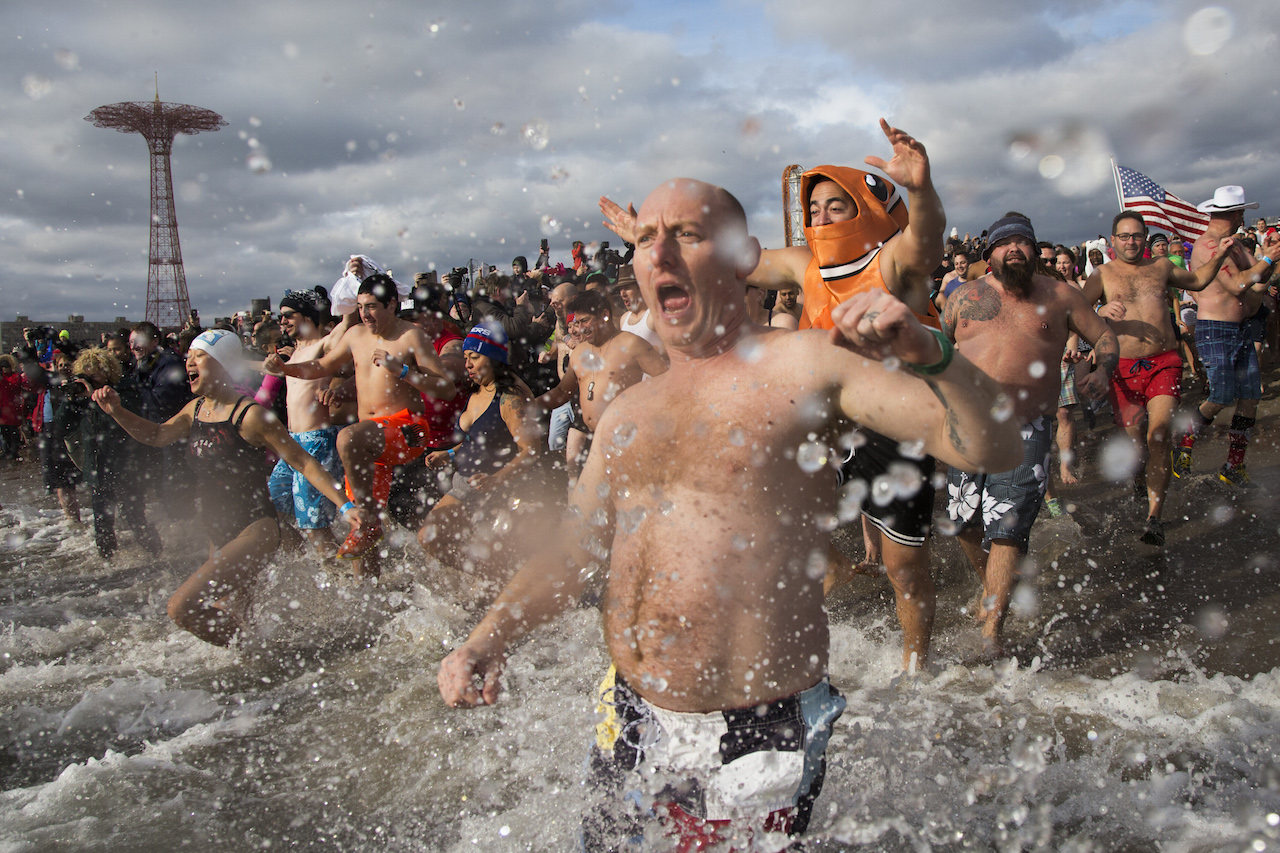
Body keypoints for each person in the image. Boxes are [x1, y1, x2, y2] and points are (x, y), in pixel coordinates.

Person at [440, 178, 1021, 849]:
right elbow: (574, 548)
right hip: (629, 712)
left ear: (744, 256)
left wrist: (931, 352)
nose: (659, 253)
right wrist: (490, 635)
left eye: (685, 234)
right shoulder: (629, 411)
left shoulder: (805, 364)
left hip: (759, 730)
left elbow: (991, 445)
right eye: (644, 238)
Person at [600, 120, 946, 673]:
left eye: (836, 206)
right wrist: (650, 243)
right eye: (814, 209)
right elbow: (729, 259)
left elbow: (926, 241)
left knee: (905, 567)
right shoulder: (804, 264)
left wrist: (922, 192)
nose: (820, 218)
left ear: (866, 209)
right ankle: (813, 599)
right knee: (768, 512)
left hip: (890, 426)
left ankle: (916, 664)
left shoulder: (890, 263)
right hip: (822, 418)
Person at [91, 330, 368, 645]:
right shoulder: (195, 410)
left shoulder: (249, 416)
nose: (189, 363)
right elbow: (157, 436)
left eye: (199, 357)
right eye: (189, 357)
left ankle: (262, 654)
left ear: (223, 365)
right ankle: (259, 660)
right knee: (235, 614)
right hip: (216, 529)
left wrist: (346, 507)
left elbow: (303, 462)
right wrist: (116, 412)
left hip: (252, 529)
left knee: (181, 608)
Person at [942, 212, 1118, 658]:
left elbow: (1104, 337)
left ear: (1036, 250)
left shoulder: (1061, 296)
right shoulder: (963, 298)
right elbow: (936, 352)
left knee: (1008, 527)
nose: (1014, 249)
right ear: (989, 255)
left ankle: (991, 632)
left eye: (1023, 242)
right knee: (962, 522)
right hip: (966, 426)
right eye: (1005, 244)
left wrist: (1101, 369)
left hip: (1030, 427)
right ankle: (993, 586)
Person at [266, 274, 457, 569]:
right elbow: (322, 366)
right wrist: (285, 368)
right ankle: (373, 585)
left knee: (347, 438)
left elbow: (446, 388)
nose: (365, 314)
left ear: (392, 304)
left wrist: (404, 371)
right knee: (359, 541)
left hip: (410, 431)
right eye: (360, 306)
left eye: (372, 306)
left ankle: (368, 524)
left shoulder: (411, 336)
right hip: (371, 442)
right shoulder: (355, 335)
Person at [1082, 211, 1235, 545]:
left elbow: (1197, 281)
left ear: (1145, 237)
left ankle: (1155, 518)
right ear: (1113, 240)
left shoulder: (1161, 267)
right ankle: (1140, 478)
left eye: (1137, 235)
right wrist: (1099, 311)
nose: (1131, 241)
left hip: (1164, 362)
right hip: (1122, 369)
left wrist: (1221, 252)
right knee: (1137, 446)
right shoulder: (1103, 275)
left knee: (1160, 435)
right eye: (1124, 236)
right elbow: (1074, 313)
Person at [418, 320, 547, 587]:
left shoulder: (511, 398)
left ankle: (501, 583)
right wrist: (450, 454)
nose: (467, 364)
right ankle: (490, 577)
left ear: (492, 358)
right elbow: (480, 440)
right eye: (466, 357)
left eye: (474, 357)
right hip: (467, 484)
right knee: (430, 536)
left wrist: (498, 478)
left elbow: (531, 452)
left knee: (505, 550)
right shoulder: (478, 391)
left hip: (505, 490)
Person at [1174, 186, 1280, 487]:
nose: (1244, 216)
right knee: (1221, 395)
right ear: (1233, 213)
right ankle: (1185, 441)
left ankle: (1234, 465)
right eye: (1242, 211)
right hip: (1215, 328)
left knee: (1250, 398)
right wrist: (1269, 260)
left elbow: (1256, 282)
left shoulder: (1237, 246)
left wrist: (1271, 257)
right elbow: (1237, 285)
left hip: (1241, 327)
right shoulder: (1208, 246)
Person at [535, 290, 667, 480]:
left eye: (585, 321)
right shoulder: (579, 353)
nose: (580, 329)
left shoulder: (631, 345)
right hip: (590, 439)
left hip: (625, 440)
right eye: (577, 323)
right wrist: (534, 405)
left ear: (605, 315)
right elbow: (563, 391)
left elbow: (665, 382)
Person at [265, 287, 346, 556]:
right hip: (292, 443)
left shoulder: (323, 345)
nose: (282, 321)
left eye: (288, 315)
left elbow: (347, 324)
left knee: (315, 526)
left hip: (316, 442)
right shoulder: (294, 351)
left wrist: (354, 278)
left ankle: (340, 577)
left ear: (308, 317)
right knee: (269, 509)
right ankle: (302, 559)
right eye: (280, 317)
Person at [66, 347, 162, 559]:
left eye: (94, 374)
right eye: (86, 374)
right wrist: (69, 400)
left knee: (134, 517)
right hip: (97, 469)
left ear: (108, 372)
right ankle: (108, 563)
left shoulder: (124, 389)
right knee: (102, 523)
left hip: (125, 467)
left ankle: (157, 554)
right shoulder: (82, 396)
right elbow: (61, 426)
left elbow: (121, 420)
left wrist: (97, 400)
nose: (90, 379)